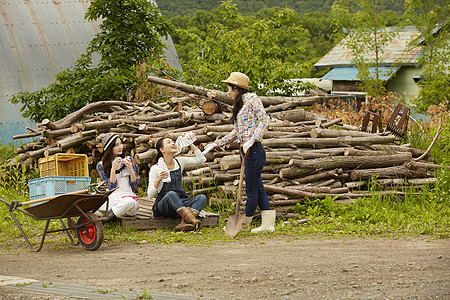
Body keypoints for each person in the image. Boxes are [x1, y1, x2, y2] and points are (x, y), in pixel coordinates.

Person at [203, 72, 276, 233]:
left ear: (236, 88)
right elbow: (236, 132)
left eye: (229, 88)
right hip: (245, 151)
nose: (227, 91)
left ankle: (243, 225)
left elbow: (264, 120)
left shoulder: (252, 99)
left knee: (250, 190)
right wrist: (215, 144)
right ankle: (268, 225)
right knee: (258, 188)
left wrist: (252, 140)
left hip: (254, 151)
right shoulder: (240, 104)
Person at [148, 137, 207, 232]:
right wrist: (158, 180)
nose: (173, 143)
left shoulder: (180, 161)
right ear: (162, 149)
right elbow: (150, 195)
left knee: (202, 198)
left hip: (180, 204)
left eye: (173, 142)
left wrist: (190, 143)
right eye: (169, 142)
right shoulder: (156, 168)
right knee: (171, 194)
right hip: (164, 206)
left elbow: (201, 159)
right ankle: (192, 220)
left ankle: (185, 222)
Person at [96, 133, 140, 221]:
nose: (120, 147)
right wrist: (113, 170)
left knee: (130, 203)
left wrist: (131, 169)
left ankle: (106, 220)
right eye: (116, 145)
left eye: (120, 143)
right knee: (94, 200)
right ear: (109, 148)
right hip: (112, 199)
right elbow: (111, 188)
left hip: (127, 198)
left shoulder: (129, 160)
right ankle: (114, 214)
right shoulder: (101, 165)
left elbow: (135, 186)